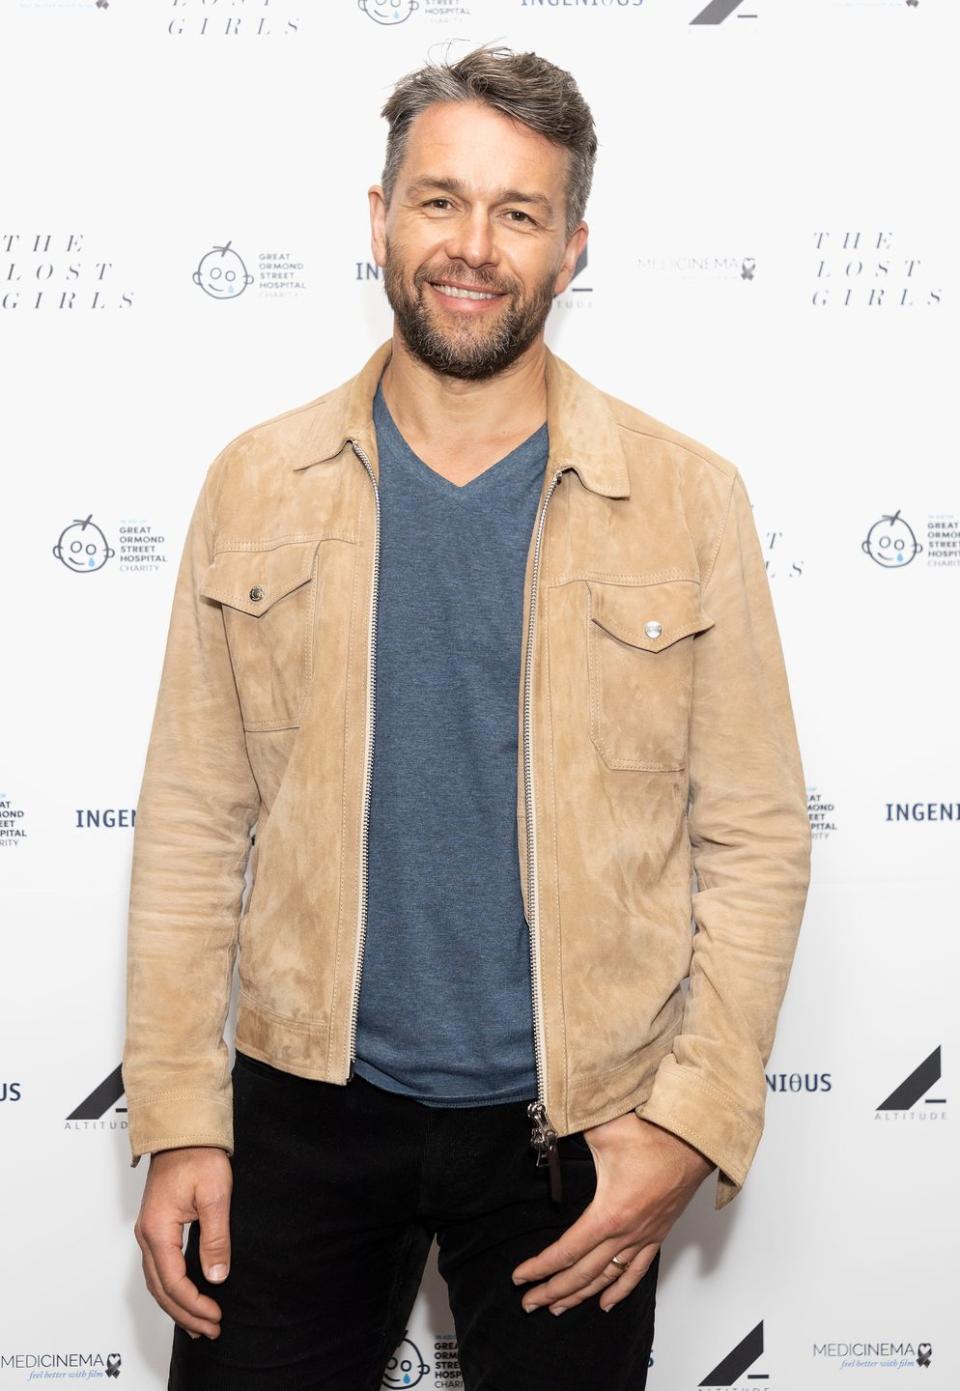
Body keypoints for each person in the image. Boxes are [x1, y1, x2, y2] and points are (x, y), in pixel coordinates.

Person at [122, 42, 812, 1391]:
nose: (473, 246)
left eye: (519, 212)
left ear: (574, 247)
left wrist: (692, 1122)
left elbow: (757, 836)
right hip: (303, 1113)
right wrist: (180, 1122)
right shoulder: (255, 483)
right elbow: (196, 825)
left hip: (575, 1130)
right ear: (377, 219)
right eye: (440, 200)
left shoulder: (689, 498)